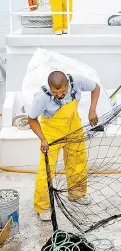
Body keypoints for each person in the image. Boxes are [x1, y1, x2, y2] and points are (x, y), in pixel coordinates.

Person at [28, 71, 100, 221]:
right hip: (51, 130)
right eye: (55, 93)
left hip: (73, 125)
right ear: (49, 88)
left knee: (77, 160)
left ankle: (77, 194)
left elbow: (96, 87)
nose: (59, 95)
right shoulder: (41, 97)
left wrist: (92, 109)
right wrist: (42, 139)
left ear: (67, 84)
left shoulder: (77, 81)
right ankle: (43, 206)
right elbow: (32, 119)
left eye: (62, 92)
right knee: (46, 169)